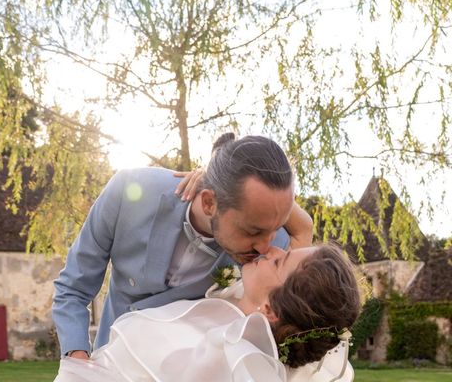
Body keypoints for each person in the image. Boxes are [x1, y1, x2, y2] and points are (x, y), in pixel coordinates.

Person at [53, 134, 314, 358]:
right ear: (210, 203)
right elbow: (73, 289)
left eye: (276, 227)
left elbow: (288, 324)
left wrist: (303, 226)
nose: (265, 248)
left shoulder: (274, 250)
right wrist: (78, 359)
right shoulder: (128, 193)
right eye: (253, 231)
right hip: (108, 362)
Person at [55, 243, 361, 381]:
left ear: (269, 309)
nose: (274, 249)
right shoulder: (276, 346)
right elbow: (300, 230)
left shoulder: (213, 353)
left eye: (280, 262)